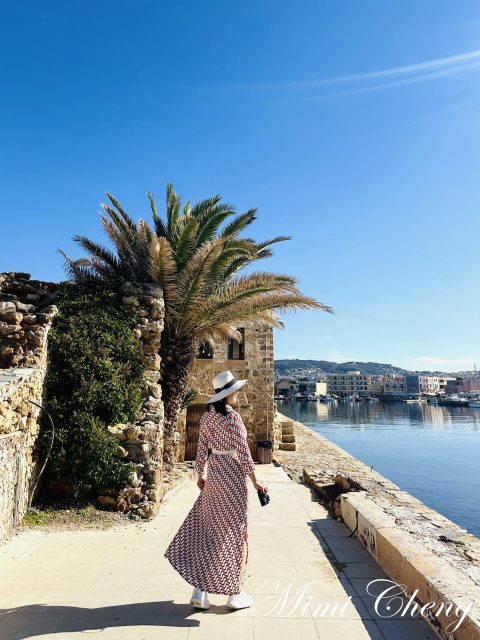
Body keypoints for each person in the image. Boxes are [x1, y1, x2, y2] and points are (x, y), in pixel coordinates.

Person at [163, 370, 268, 611]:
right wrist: (255, 481)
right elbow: (244, 453)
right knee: (238, 533)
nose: (238, 394)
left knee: (210, 532)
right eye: (235, 391)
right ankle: (235, 593)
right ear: (227, 395)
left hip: (215, 475)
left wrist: (200, 474)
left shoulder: (207, 418)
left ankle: (200, 592)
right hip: (232, 477)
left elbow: (201, 449)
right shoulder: (234, 419)